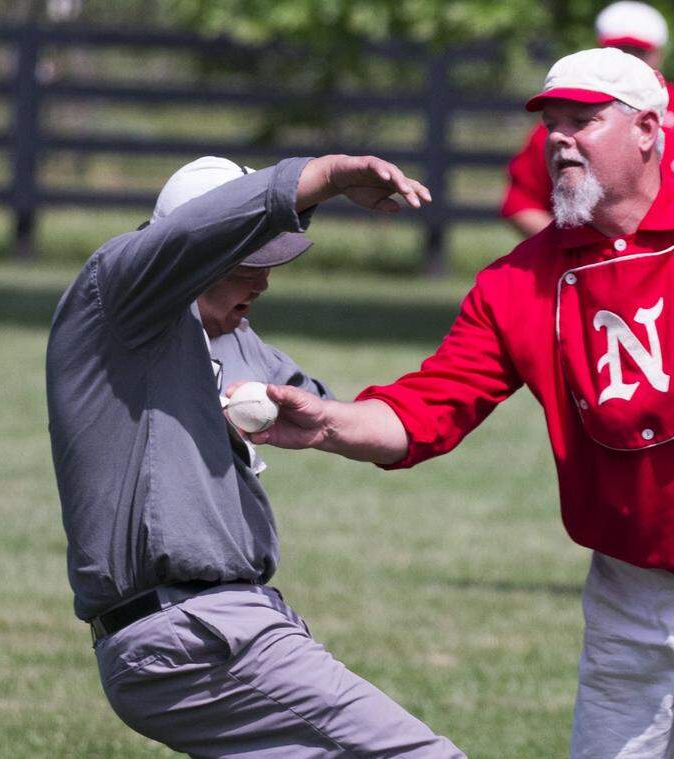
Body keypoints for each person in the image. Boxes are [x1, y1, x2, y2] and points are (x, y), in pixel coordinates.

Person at [248, 49, 674, 758]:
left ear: (648, 132)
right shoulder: (517, 282)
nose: (561, 139)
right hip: (630, 591)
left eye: (584, 120)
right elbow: (427, 410)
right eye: (552, 125)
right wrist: (327, 423)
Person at [46, 153, 465, 757]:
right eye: (246, 262)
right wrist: (326, 176)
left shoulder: (239, 344)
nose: (263, 281)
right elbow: (197, 232)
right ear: (187, 257)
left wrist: (332, 425)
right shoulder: (117, 299)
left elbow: (352, 419)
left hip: (223, 625)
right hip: (189, 630)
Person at [501, 1, 674, 238]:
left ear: (658, 54)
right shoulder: (565, 125)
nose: (629, 60)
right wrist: (571, 253)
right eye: (618, 50)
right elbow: (522, 203)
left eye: (638, 51)